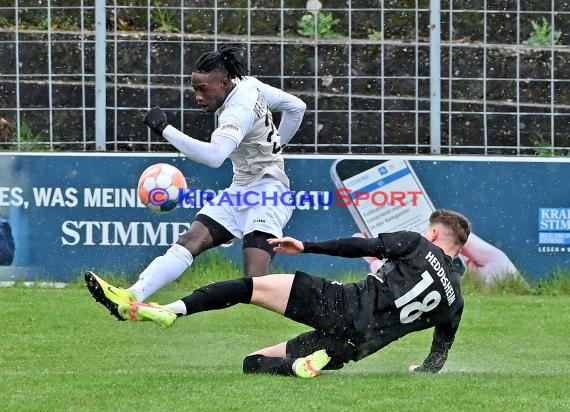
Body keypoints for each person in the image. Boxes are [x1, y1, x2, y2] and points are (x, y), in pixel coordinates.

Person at [85, 44, 307, 320]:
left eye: (204, 89)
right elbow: (296, 107)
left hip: (269, 193)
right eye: (195, 89)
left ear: (224, 83)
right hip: (241, 190)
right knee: (191, 239)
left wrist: (164, 129)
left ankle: (317, 307)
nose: (198, 97)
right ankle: (131, 297)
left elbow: (214, 157)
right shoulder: (250, 85)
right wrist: (277, 147)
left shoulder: (237, 110)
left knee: (256, 283)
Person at [116, 209, 471, 378]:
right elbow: (439, 354)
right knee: (254, 362)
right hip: (355, 346)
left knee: (248, 288)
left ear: (436, 236)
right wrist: (422, 370)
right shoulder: (455, 301)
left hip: (342, 305)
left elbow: (358, 245)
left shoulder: (418, 244)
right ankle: (301, 365)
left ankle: (173, 310)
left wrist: (307, 246)